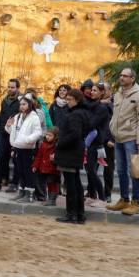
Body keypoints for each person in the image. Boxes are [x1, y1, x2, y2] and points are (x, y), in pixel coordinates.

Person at [107, 68, 139, 216]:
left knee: (135, 171)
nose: (122, 78)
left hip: (132, 138)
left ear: (132, 78)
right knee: (120, 171)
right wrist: (112, 134)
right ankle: (124, 200)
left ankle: (136, 203)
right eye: (121, 75)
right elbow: (115, 116)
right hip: (118, 138)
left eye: (125, 76)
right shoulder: (118, 94)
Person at [55, 89, 90, 224]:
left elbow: (75, 134)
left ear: (77, 100)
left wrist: (60, 143)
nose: (67, 101)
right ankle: (79, 214)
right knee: (75, 183)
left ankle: (72, 214)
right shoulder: (81, 113)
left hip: (70, 152)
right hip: (74, 152)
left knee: (71, 185)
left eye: (70, 99)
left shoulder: (76, 114)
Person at [5, 96, 43, 202]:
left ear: (30, 104)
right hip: (18, 147)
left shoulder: (34, 117)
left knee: (28, 171)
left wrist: (27, 139)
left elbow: (38, 132)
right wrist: (8, 126)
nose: (21, 106)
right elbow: (14, 131)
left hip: (28, 148)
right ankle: (21, 192)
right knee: (20, 170)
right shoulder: (18, 116)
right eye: (20, 104)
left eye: (24, 104)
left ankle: (29, 194)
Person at [0, 78, 21, 191]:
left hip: (16, 135)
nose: (10, 89)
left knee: (16, 160)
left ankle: (15, 184)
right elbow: (1, 117)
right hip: (3, 133)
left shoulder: (21, 100)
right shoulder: (4, 100)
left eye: (12, 87)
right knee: (1, 157)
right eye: (9, 86)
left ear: (17, 88)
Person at [84, 83, 110, 205]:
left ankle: (102, 198)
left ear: (101, 92)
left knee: (91, 170)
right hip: (89, 142)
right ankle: (92, 195)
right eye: (91, 90)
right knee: (89, 170)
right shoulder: (93, 106)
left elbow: (91, 123)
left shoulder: (102, 108)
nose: (91, 92)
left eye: (94, 90)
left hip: (96, 142)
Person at [33, 128, 61, 205]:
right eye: (47, 135)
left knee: (53, 183)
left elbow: (60, 156)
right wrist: (35, 165)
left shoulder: (57, 145)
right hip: (44, 168)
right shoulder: (43, 144)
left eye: (50, 135)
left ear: (55, 137)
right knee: (48, 183)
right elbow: (39, 156)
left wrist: (55, 157)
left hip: (53, 169)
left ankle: (52, 200)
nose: (47, 137)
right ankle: (50, 199)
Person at [99, 83, 115, 203]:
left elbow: (118, 122)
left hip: (108, 141)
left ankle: (107, 193)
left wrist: (112, 139)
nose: (101, 91)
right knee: (91, 167)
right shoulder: (96, 102)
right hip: (96, 140)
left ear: (110, 91)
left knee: (108, 169)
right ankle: (92, 191)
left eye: (103, 90)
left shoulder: (116, 104)